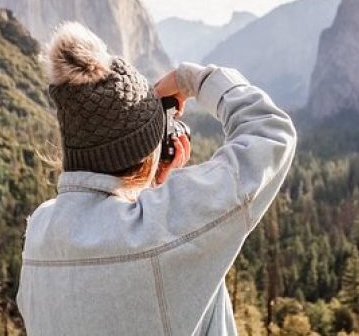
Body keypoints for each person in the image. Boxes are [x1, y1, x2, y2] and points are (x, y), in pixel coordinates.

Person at [16, 21, 297, 335]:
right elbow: (271, 132)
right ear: (146, 154)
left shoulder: (40, 233)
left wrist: (151, 181)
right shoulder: (162, 229)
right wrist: (194, 79)